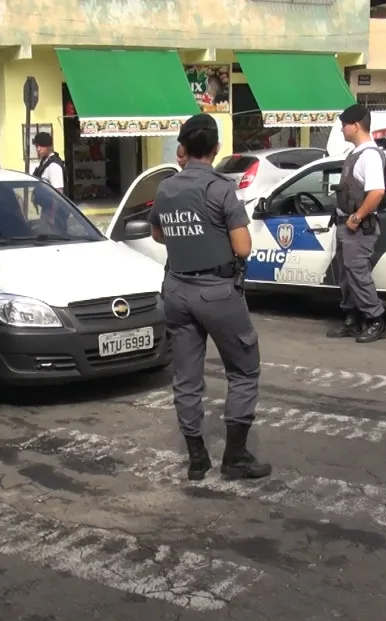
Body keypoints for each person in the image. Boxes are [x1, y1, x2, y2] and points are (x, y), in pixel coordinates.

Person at [148, 113, 271, 483]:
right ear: (216, 149)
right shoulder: (220, 189)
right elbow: (243, 247)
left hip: (176, 290)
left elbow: (158, 234)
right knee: (244, 370)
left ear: (181, 149)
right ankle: (235, 457)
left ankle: (197, 458)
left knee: (186, 377)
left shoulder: (166, 188)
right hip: (217, 293)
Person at [327, 103, 386, 343]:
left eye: (344, 125)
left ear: (355, 126)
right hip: (348, 226)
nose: (342, 129)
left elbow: (377, 192)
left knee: (358, 274)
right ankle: (353, 319)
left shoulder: (369, 156)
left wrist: (356, 217)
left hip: (358, 228)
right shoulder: (357, 153)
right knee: (347, 275)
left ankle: (375, 320)